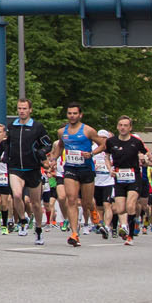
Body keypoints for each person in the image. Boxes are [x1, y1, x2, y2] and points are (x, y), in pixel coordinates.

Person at [47, 102, 101, 247]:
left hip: (86, 169)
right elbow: (60, 146)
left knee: (87, 202)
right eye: (70, 113)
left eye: (75, 113)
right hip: (70, 168)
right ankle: (74, 233)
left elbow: (103, 144)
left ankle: (93, 212)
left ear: (80, 115)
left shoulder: (88, 130)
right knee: (71, 200)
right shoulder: (62, 132)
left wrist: (92, 153)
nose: (72, 116)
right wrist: (54, 159)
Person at [1, 98, 50, 245]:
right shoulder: (12, 126)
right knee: (16, 195)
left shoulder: (37, 127)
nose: (21, 111)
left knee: (35, 203)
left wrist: (41, 153)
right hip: (15, 167)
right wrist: (4, 155)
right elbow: (7, 143)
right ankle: (23, 220)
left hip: (32, 168)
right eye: (19, 108)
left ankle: (39, 229)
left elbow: (47, 144)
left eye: (24, 108)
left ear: (30, 110)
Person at [105, 117, 148, 244]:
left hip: (134, 177)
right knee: (120, 209)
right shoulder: (111, 141)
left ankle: (130, 235)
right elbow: (106, 157)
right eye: (120, 125)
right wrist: (110, 169)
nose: (123, 127)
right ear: (117, 127)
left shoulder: (136, 142)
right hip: (119, 177)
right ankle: (126, 226)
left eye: (125, 125)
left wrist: (144, 158)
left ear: (130, 128)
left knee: (130, 205)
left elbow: (147, 155)